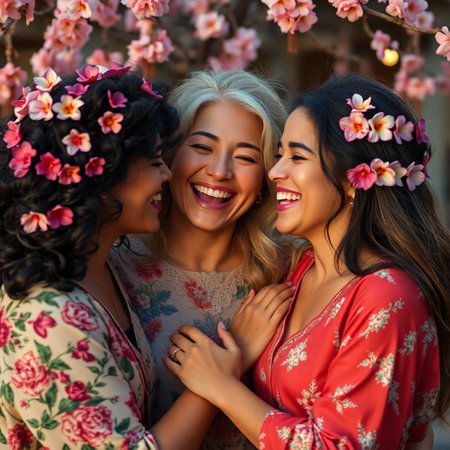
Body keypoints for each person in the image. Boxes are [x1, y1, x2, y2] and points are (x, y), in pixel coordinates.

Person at [165, 73, 450, 448]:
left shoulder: (387, 296)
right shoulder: (296, 271)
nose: (275, 171)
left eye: (296, 156)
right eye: (279, 154)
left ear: (355, 179)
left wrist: (221, 387)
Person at [0, 64, 233, 449]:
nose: (166, 176)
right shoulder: (48, 316)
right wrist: (217, 382)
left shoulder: (100, 267)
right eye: (155, 161)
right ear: (102, 174)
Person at [110, 70, 295, 449]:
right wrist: (236, 351)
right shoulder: (113, 268)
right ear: (168, 155)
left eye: (246, 157)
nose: (220, 171)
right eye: (203, 147)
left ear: (266, 178)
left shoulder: (292, 273)